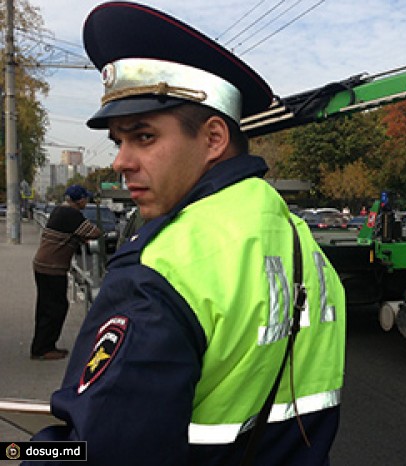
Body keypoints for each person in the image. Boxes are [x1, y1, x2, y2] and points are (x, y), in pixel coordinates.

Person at [25, 3, 346, 465]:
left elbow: (96, 452)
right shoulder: (299, 239)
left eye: (144, 137)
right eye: (119, 141)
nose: (120, 161)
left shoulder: (160, 268)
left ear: (214, 139)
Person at [30, 185, 102, 361]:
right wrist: (84, 237)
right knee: (55, 308)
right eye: (86, 198)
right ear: (79, 200)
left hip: (43, 265)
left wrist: (78, 237)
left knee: (46, 307)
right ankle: (43, 349)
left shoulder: (60, 211)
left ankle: (42, 345)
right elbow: (95, 232)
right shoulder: (72, 215)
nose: (88, 201)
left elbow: (71, 233)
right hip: (52, 268)